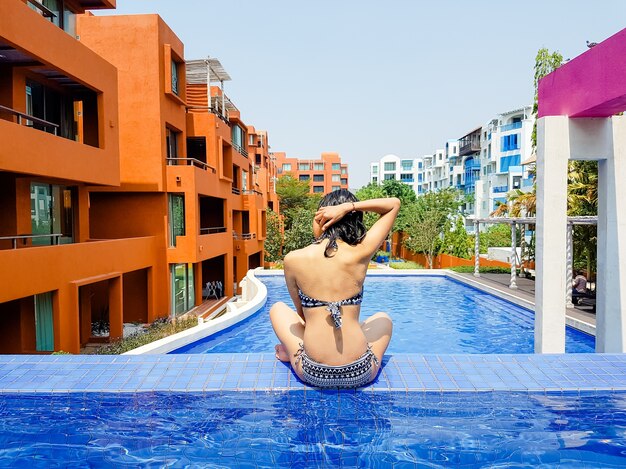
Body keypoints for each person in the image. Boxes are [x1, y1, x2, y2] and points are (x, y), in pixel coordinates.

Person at [270, 189, 400, 388]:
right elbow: (393, 203)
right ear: (354, 222)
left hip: (313, 372)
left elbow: (302, 317)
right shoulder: (361, 252)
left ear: (321, 219)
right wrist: (349, 207)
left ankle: (293, 353)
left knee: (278, 309)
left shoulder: (293, 259)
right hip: (360, 372)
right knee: (383, 319)